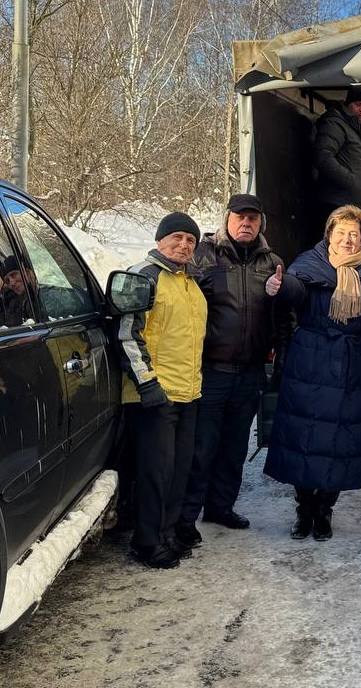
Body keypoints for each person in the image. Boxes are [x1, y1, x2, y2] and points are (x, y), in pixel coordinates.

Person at [264, 204, 361, 541]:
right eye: (341, 233)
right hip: (311, 364)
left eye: (354, 234)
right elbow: (295, 289)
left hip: (354, 368)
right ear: (329, 235)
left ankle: (324, 509)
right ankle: (304, 508)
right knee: (303, 439)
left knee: (341, 443)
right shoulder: (309, 265)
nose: (348, 240)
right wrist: (279, 286)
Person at [177, 194, 285, 547]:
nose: (246, 224)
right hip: (212, 369)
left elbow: (283, 315)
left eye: (253, 218)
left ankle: (220, 507)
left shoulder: (272, 262)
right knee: (202, 447)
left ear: (261, 223)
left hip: (250, 371)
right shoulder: (203, 255)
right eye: (240, 217)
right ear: (227, 219)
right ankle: (186, 518)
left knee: (235, 447)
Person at [118, 212, 207, 569]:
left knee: (178, 471)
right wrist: (147, 383)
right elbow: (127, 334)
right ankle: (146, 541)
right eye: (177, 238)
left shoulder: (190, 283)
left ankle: (167, 534)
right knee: (155, 473)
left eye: (191, 240)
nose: (184, 245)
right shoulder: (143, 276)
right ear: (160, 240)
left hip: (188, 392)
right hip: (155, 394)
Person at [313, 85, 361, 223]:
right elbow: (323, 156)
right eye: (358, 104)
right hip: (338, 205)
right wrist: (351, 181)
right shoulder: (336, 124)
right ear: (348, 105)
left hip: (358, 207)